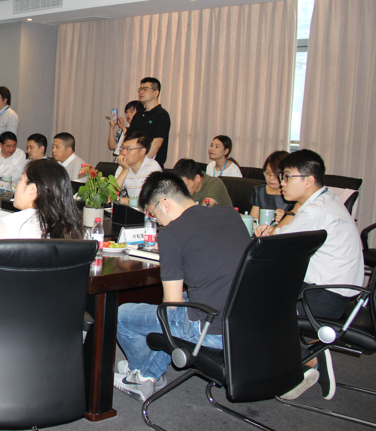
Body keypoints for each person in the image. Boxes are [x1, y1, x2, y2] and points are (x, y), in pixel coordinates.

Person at [114, 172, 251, 401]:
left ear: (164, 204)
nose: (157, 222)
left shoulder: (171, 234)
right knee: (187, 301)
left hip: (212, 331)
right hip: (247, 322)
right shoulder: (230, 214)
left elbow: (172, 305)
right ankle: (150, 373)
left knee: (122, 314)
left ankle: (142, 376)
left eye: (153, 214)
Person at [256, 150, 364, 400]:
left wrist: (269, 233)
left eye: (287, 176)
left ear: (309, 180)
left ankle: (309, 361)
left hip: (325, 296)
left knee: (258, 309)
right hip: (337, 290)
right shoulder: (325, 198)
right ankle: (296, 357)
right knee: (266, 294)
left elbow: (275, 244)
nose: (281, 182)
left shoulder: (315, 211)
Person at [0, 159, 84, 240]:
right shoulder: (72, 229)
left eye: (20, 179)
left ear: (32, 190)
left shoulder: (6, 225)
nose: (18, 185)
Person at [126, 77, 171, 167]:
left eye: (145, 89)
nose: (141, 92)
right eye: (140, 89)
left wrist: (141, 164)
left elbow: (156, 144)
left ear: (156, 93)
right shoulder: (138, 115)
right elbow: (128, 139)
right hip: (132, 164)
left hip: (150, 166)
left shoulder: (162, 115)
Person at [249, 151, 295, 225]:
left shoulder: (294, 194)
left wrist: (285, 218)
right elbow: (253, 221)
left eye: (276, 175)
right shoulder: (259, 191)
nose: (271, 178)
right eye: (268, 173)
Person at [114, 132, 162, 200]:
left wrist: (120, 200)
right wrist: (125, 170)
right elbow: (114, 191)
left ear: (142, 151)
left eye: (129, 149)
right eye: (123, 148)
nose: (123, 152)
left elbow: (148, 201)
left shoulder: (152, 167)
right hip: (131, 206)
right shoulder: (123, 166)